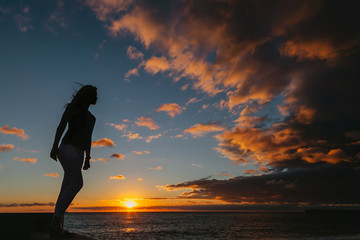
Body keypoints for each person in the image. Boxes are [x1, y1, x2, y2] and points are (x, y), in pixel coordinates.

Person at [49, 85, 97, 236]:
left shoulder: (92, 118)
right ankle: (56, 222)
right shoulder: (72, 109)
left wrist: (88, 158)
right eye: (93, 94)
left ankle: (57, 226)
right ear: (86, 96)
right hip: (67, 148)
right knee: (77, 183)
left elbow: (88, 138)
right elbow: (61, 126)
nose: (96, 97)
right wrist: (54, 146)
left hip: (80, 153)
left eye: (96, 94)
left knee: (66, 186)